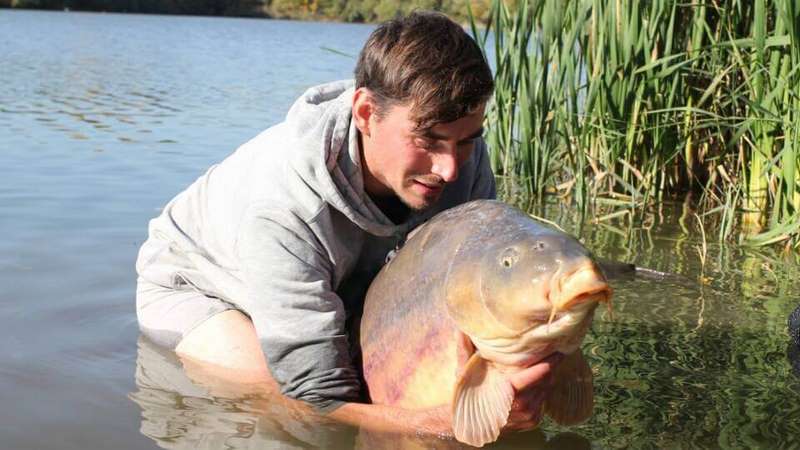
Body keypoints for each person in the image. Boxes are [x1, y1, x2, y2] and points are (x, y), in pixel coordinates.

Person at [135, 11, 562, 437]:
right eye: (427, 140)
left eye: (466, 141)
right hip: (200, 287)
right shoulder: (284, 207)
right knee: (278, 398)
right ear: (365, 112)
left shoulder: (459, 157)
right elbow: (317, 398)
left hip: (335, 280)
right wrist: (436, 424)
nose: (449, 169)